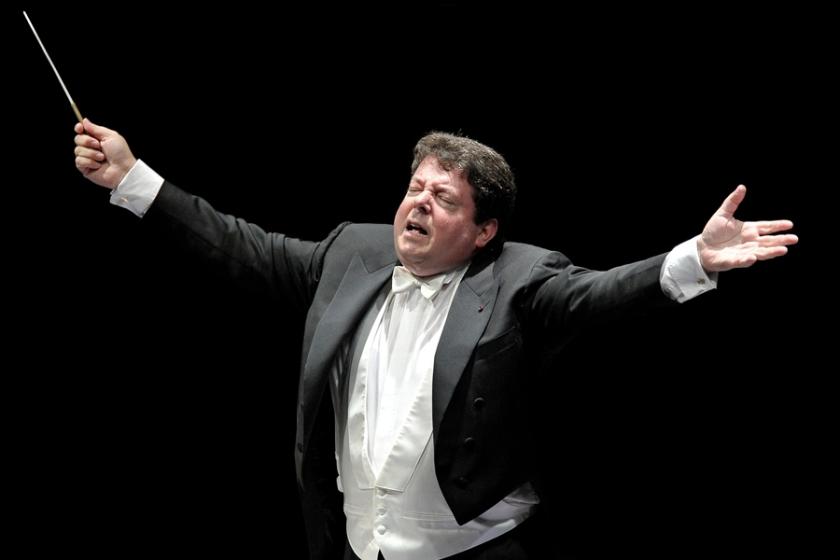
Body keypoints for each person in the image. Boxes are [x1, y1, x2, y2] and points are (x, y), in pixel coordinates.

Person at [73, 117, 796, 560]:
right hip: (357, 548)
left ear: (483, 231)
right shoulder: (350, 253)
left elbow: (599, 295)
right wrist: (132, 178)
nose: (418, 202)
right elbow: (239, 245)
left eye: (443, 198)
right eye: (415, 188)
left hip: (474, 549)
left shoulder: (521, 277)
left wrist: (694, 260)